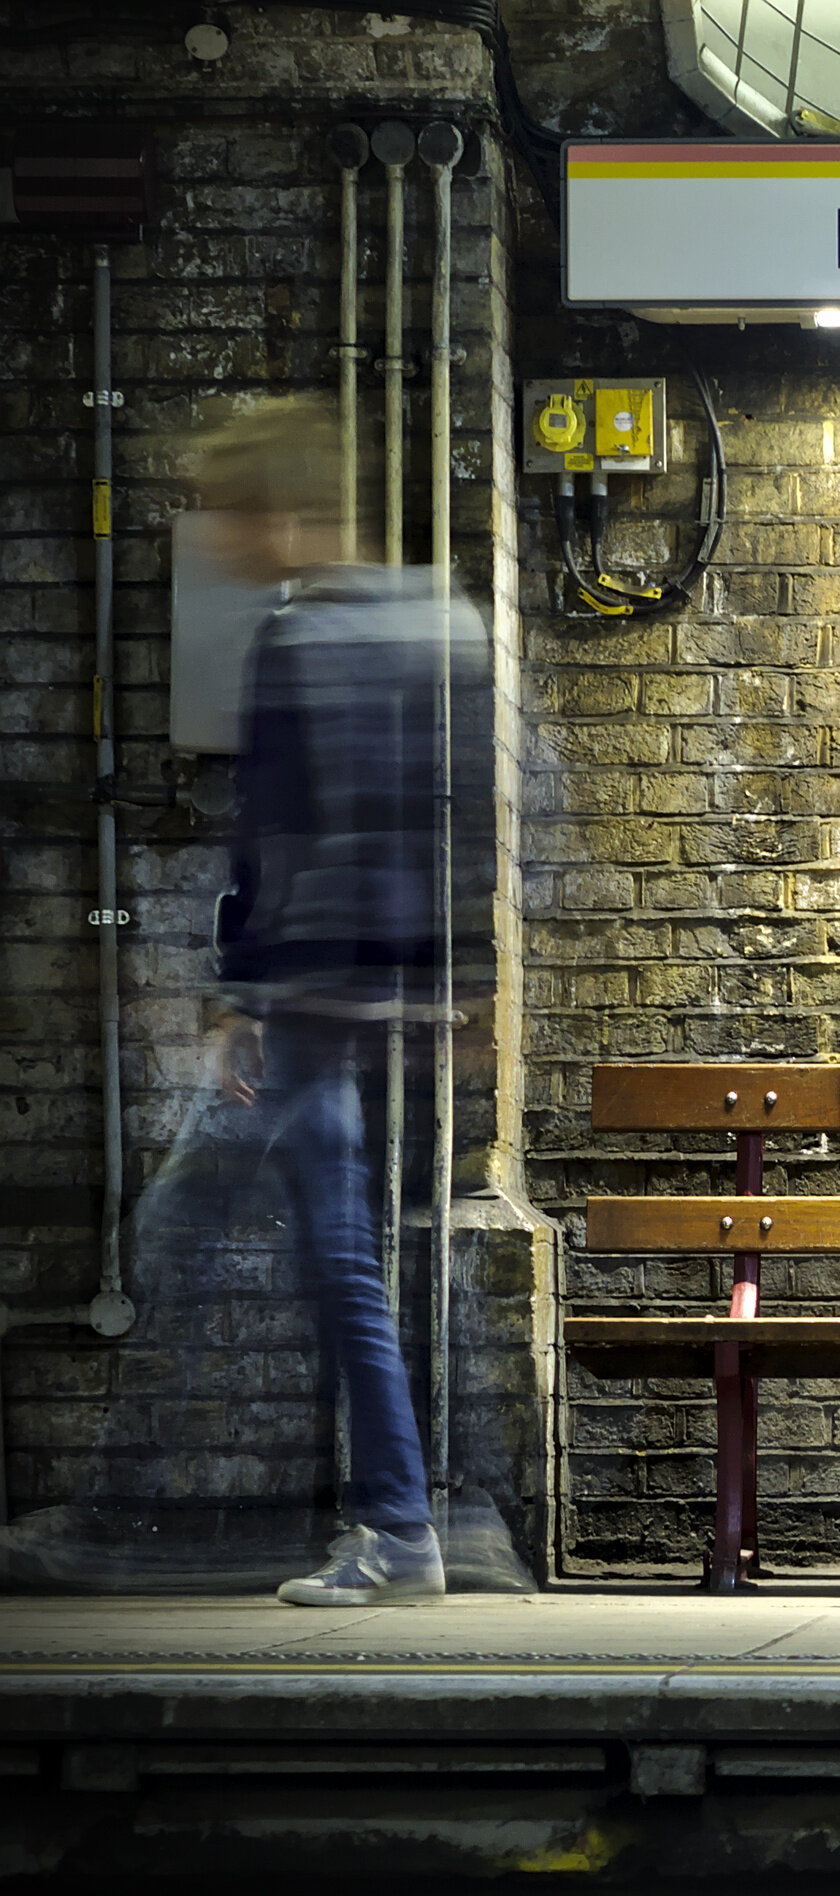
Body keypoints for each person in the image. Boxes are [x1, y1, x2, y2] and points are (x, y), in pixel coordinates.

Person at [197, 400, 479, 1605]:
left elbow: (269, 828)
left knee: (217, 1236)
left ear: (281, 512)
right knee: (332, 1252)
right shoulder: (443, 618)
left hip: (312, 988)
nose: (215, 538)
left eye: (226, 510)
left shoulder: (298, 636)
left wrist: (234, 992)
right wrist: (462, 986)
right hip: (378, 983)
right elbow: (478, 814)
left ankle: (396, 1520)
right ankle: (415, 1517)